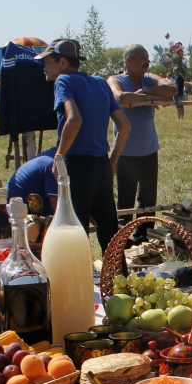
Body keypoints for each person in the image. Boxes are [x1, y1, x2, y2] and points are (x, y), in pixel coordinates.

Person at [36, 37, 130, 253]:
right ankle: (119, 281)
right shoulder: (100, 82)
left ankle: (77, 282)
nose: (44, 68)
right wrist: (112, 161)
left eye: (47, 62)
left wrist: (59, 156)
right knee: (109, 231)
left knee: (74, 231)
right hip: (100, 165)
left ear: (62, 63)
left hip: (77, 166)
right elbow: (125, 126)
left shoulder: (64, 82)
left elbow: (74, 120)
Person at [107, 44, 177, 237]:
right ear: (129, 61)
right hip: (126, 152)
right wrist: (154, 97)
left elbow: (172, 88)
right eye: (142, 58)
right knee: (126, 202)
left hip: (149, 151)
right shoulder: (115, 79)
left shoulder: (149, 79)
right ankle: (122, 241)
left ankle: (145, 238)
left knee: (148, 201)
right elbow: (120, 97)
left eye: (148, 57)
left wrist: (144, 94)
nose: (147, 61)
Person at [7, 147, 58, 215]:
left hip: (10, 209)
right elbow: (58, 210)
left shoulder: (46, 159)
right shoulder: (53, 166)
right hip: (13, 214)